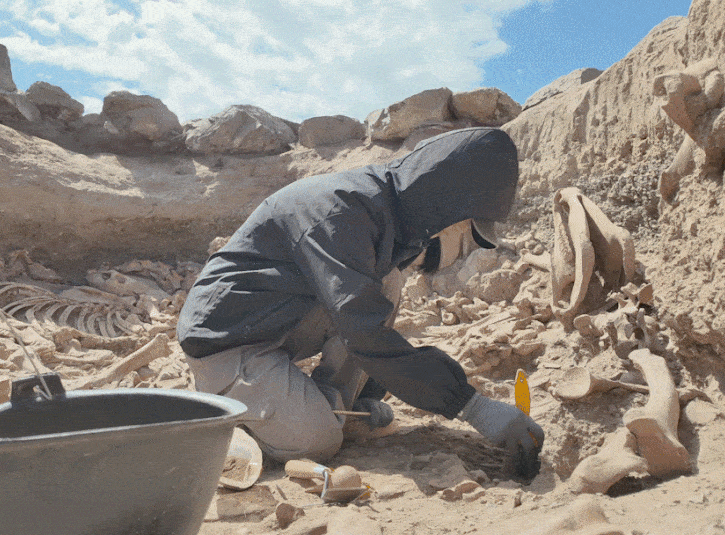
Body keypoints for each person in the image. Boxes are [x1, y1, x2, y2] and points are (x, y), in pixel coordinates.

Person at [177, 127, 544, 481]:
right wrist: (472, 406)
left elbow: (363, 314)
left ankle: (336, 409)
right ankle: (239, 417)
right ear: (446, 208)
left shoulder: (386, 213)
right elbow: (362, 329)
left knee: (385, 281)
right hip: (226, 339)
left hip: (275, 319)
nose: (462, 243)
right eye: (466, 229)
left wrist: (367, 395)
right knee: (316, 442)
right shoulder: (340, 214)